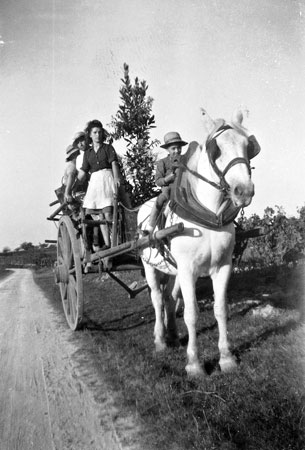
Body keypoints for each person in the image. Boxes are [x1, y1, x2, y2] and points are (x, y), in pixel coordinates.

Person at [78, 119, 121, 250]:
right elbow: (84, 171)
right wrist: (74, 184)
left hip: (107, 178)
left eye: (100, 132)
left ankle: (116, 243)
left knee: (108, 213)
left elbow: (114, 163)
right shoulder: (88, 153)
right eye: (95, 132)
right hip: (95, 183)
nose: (98, 135)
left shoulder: (108, 148)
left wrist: (116, 178)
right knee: (98, 215)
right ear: (90, 135)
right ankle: (107, 244)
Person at [146, 131, 188, 234]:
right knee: (161, 199)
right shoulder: (163, 162)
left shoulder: (185, 160)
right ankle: (150, 228)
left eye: (179, 148)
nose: (177, 151)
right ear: (167, 149)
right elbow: (158, 181)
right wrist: (167, 179)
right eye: (173, 148)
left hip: (183, 188)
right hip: (168, 189)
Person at [63, 131, 86, 203]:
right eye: (75, 154)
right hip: (75, 193)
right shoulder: (71, 166)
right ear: (72, 156)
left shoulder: (75, 165)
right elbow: (71, 177)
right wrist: (67, 194)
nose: (77, 155)